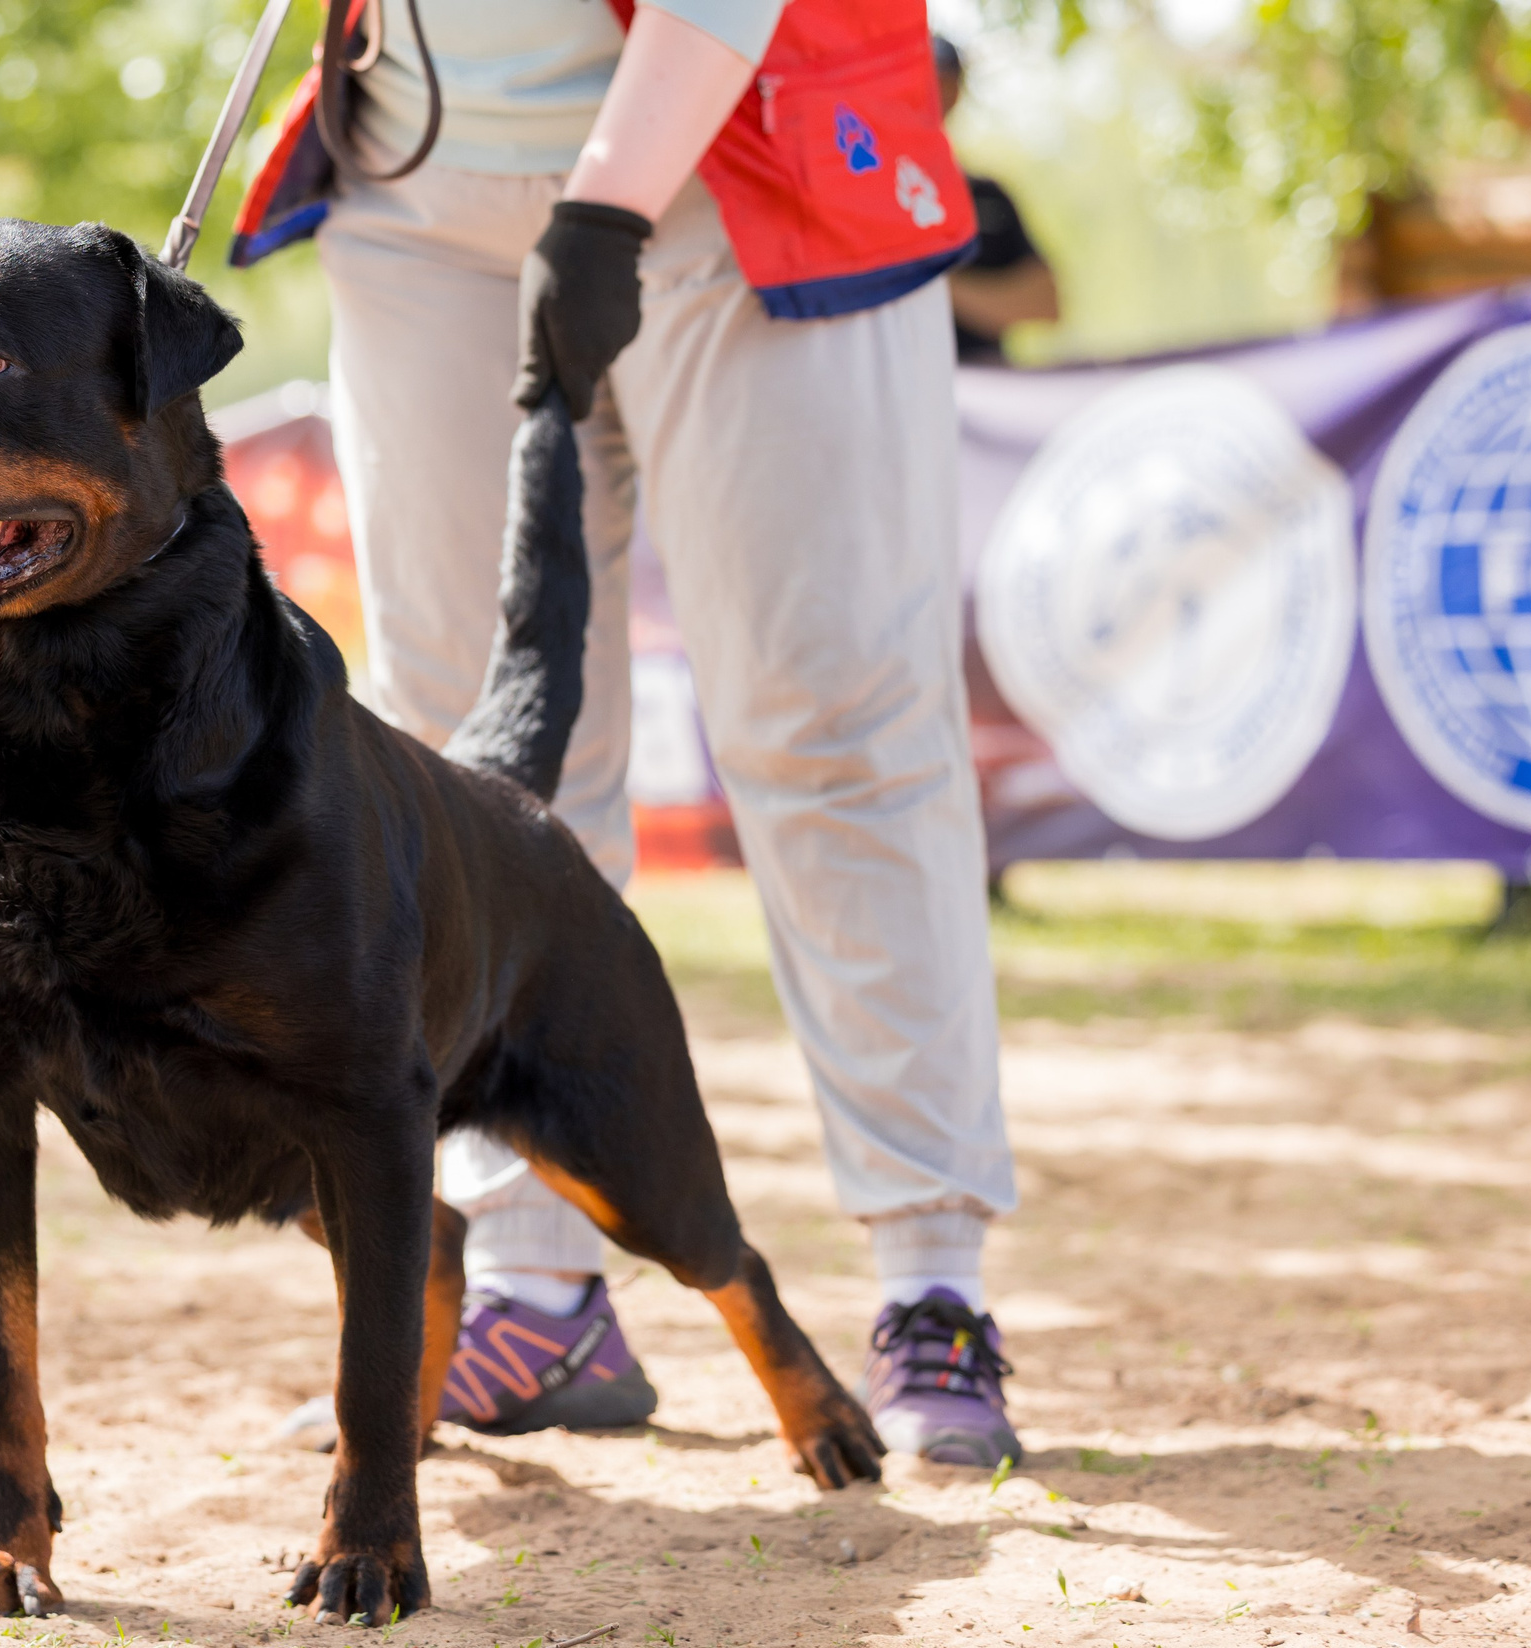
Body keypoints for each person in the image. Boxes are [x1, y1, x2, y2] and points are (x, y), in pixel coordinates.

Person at [260, 0, 1024, 1468]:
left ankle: (931, 1277)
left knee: (833, 721)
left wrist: (607, 206)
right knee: (467, 763)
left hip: (757, 156)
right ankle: (533, 1283)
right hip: (417, 180)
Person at [934, 34, 1060, 363]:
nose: (932, 94)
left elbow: (1047, 303)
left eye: (943, 81)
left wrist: (933, 287)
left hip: (982, 381)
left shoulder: (988, 197)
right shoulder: (867, 193)